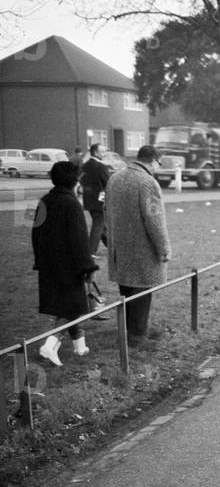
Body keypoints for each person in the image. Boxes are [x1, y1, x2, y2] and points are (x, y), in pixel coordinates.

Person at [31, 161, 99, 366]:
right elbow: (79, 240)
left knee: (67, 304)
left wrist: (39, 260)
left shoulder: (44, 200)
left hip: (49, 263)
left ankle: (80, 348)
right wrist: (88, 267)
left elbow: (35, 232)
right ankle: (50, 345)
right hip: (69, 266)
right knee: (71, 307)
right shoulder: (72, 204)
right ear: (74, 180)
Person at [105, 145, 171, 346]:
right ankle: (137, 336)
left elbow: (106, 210)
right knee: (142, 290)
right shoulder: (147, 182)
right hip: (142, 248)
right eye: (158, 164)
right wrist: (164, 248)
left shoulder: (115, 178)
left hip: (119, 245)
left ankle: (132, 330)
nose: (157, 168)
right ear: (152, 161)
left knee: (126, 290)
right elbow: (154, 220)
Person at [80, 143, 110, 257]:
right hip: (101, 201)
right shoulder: (101, 167)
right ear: (96, 153)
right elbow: (109, 183)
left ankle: (113, 248)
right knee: (98, 226)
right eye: (102, 152)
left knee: (102, 226)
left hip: (88, 199)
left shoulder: (84, 166)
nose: (105, 154)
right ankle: (91, 251)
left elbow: (81, 181)